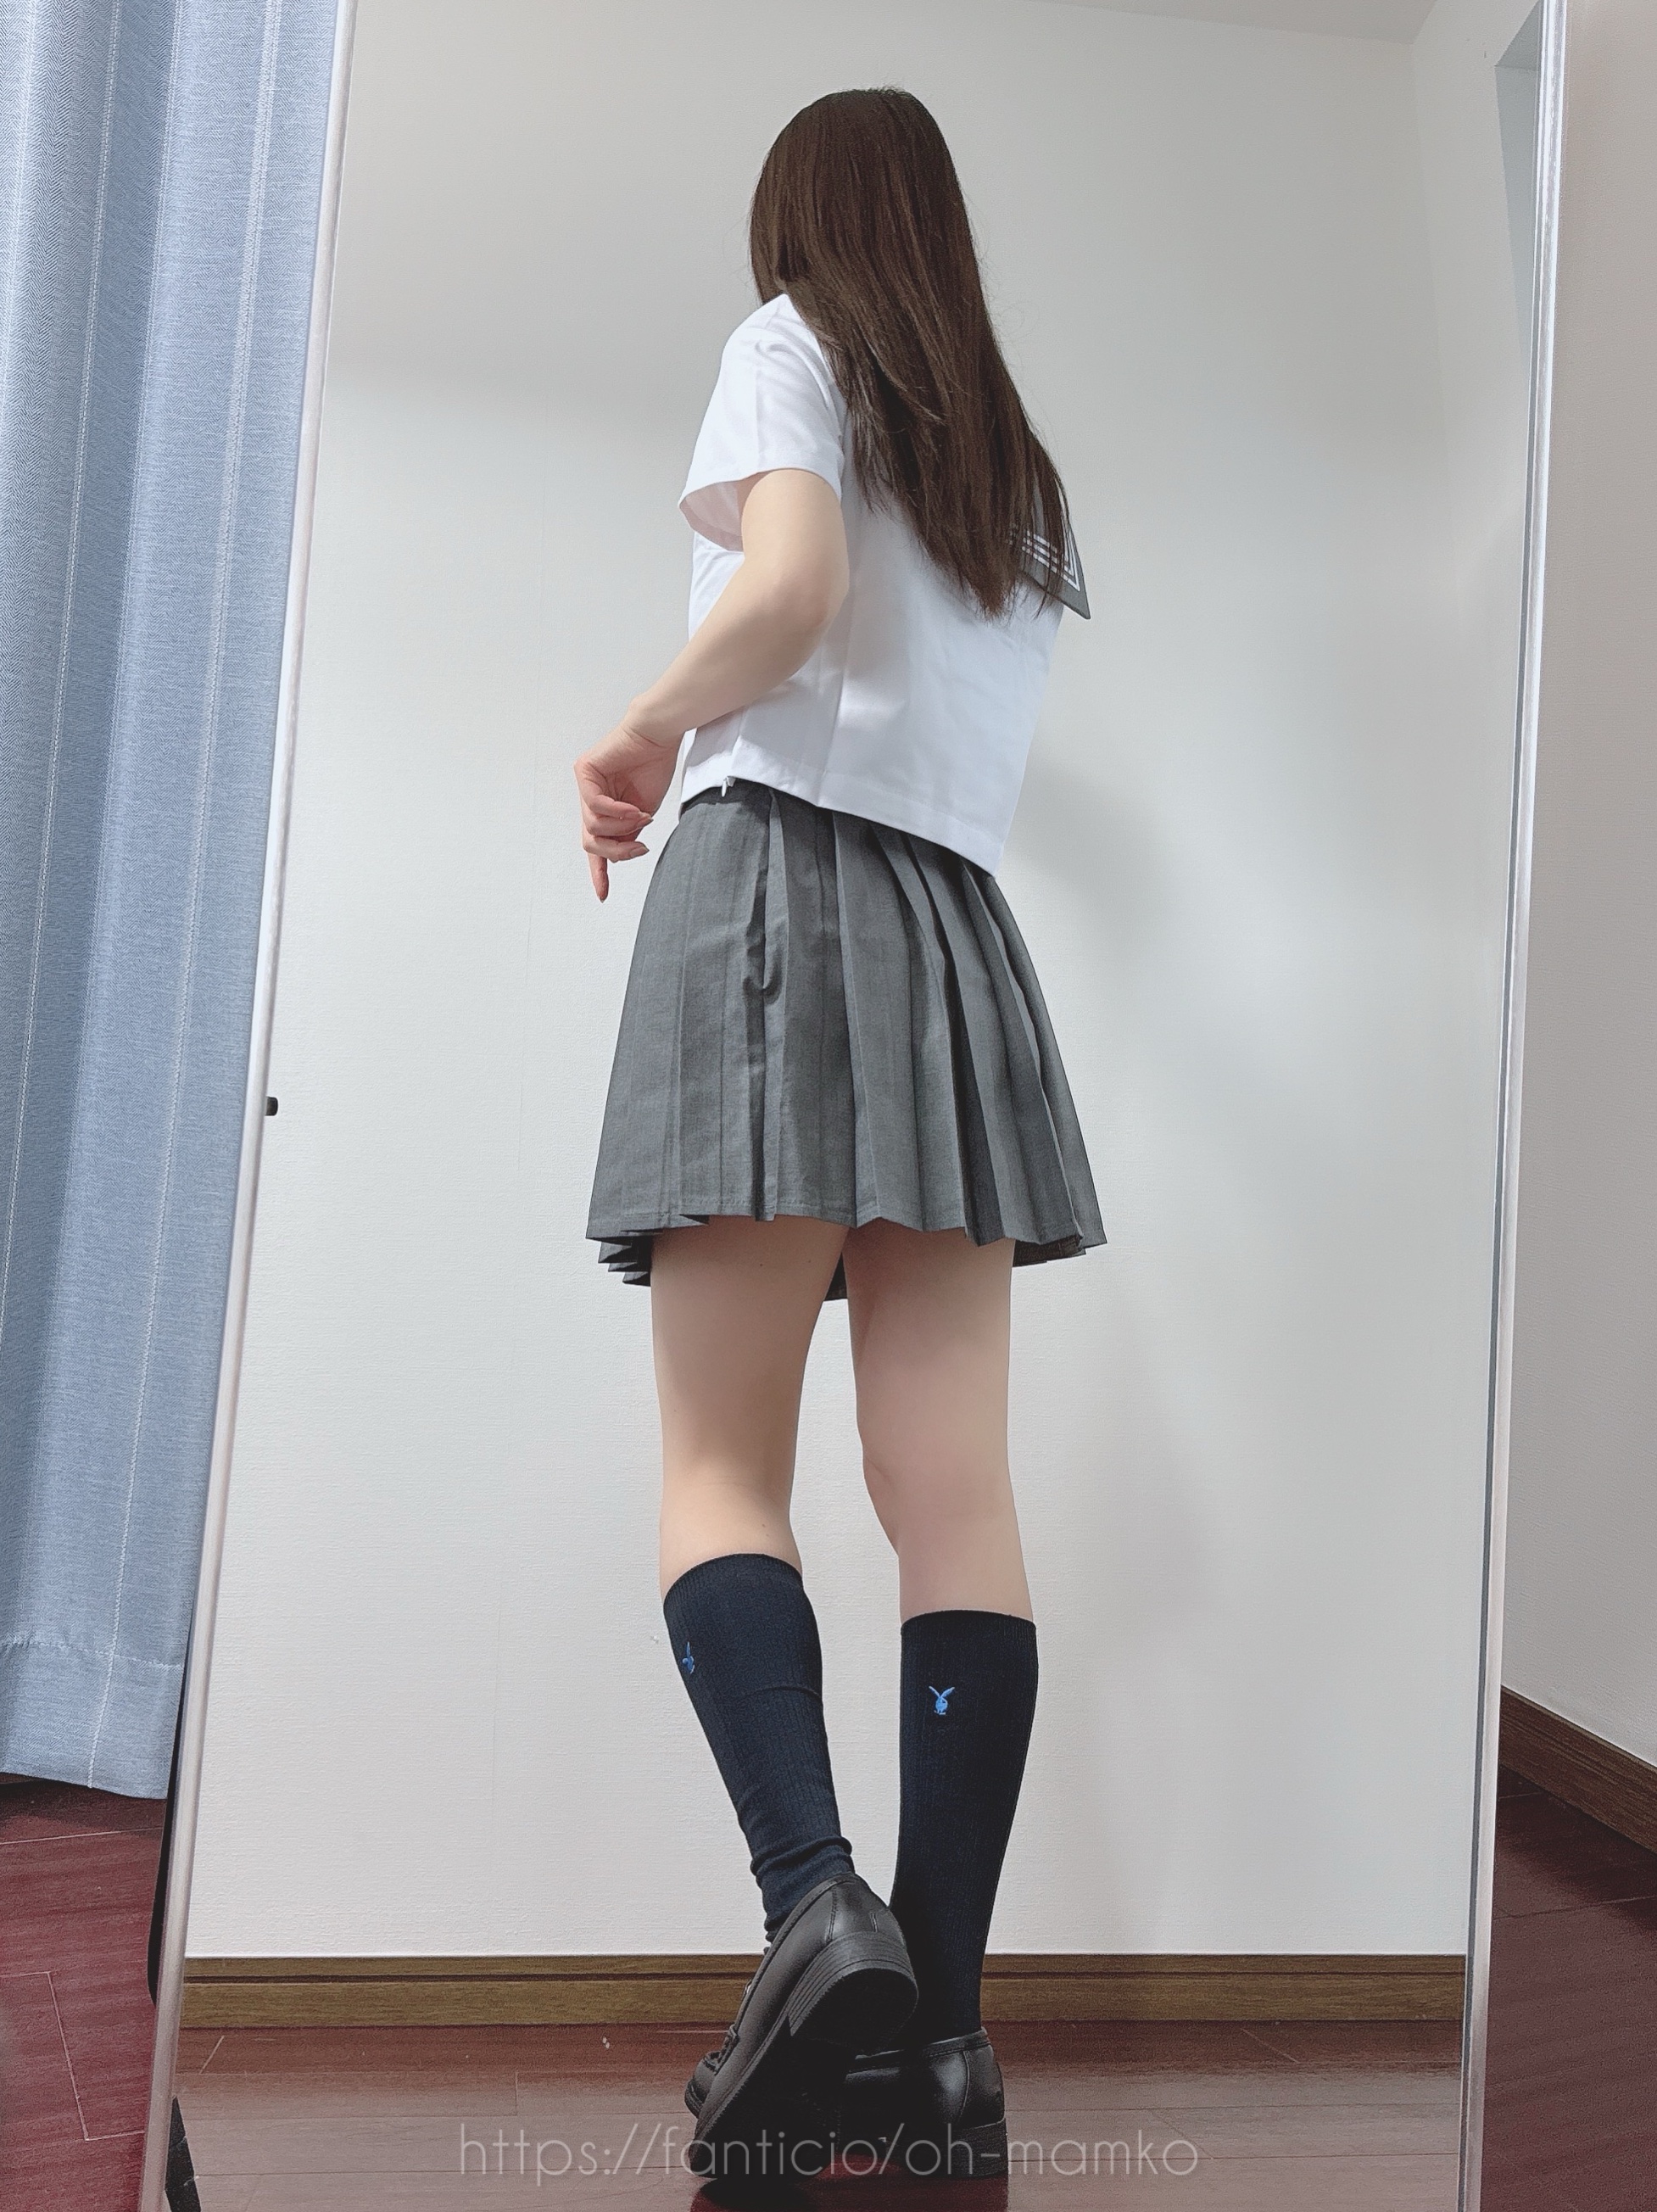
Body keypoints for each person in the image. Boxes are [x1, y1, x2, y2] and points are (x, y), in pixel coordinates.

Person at [574, 86, 1104, 2184]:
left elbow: (788, 587)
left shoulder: (790, 339)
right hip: (952, 940)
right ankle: (939, 2041)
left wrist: (643, 721)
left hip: (776, 903)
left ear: (800, 221)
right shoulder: (1011, 471)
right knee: (950, 1489)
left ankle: (814, 1910)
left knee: (721, 1463)